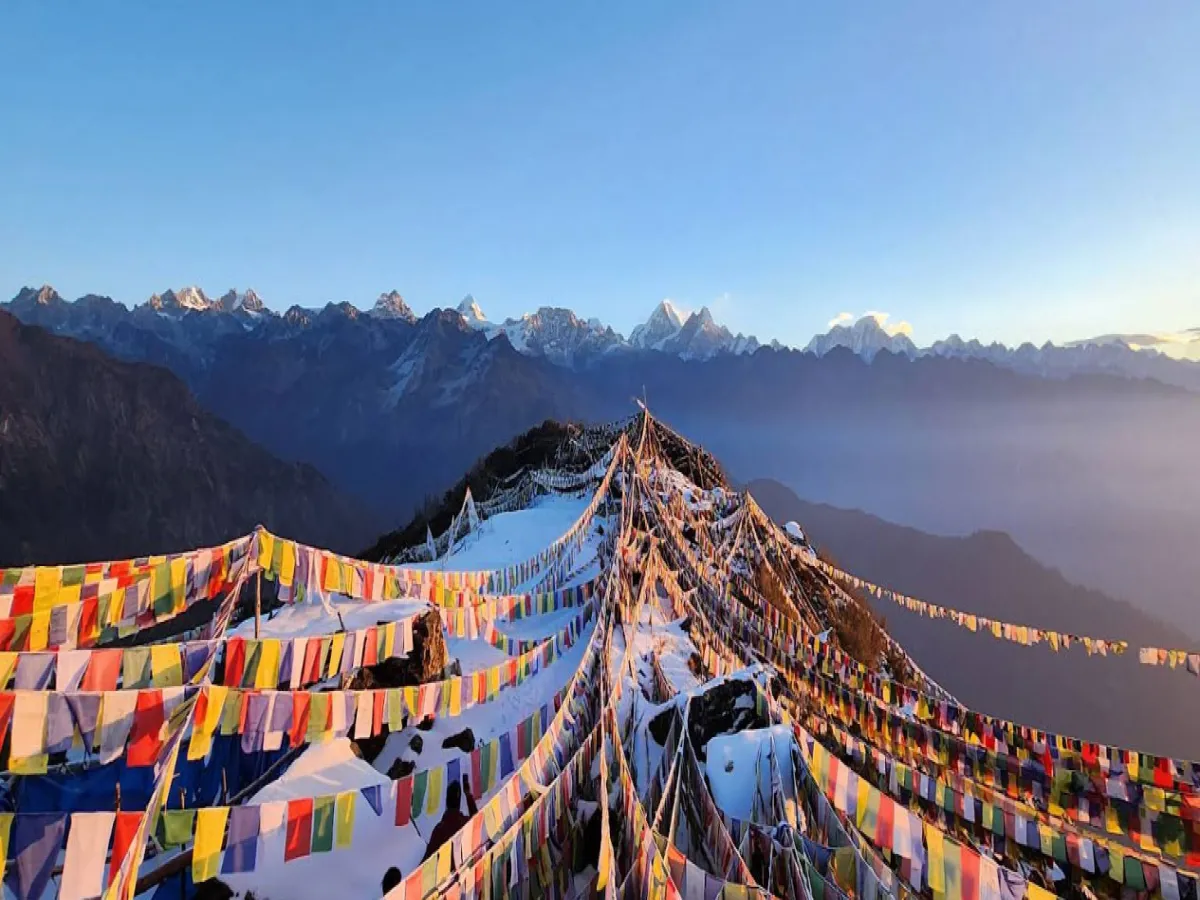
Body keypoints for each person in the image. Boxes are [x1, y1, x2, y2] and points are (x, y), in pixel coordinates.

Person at [421, 774, 478, 863]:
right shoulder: (465, 823)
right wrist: (468, 795)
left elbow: (426, 861)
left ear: (447, 801)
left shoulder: (439, 830)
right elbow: (477, 820)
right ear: (459, 803)